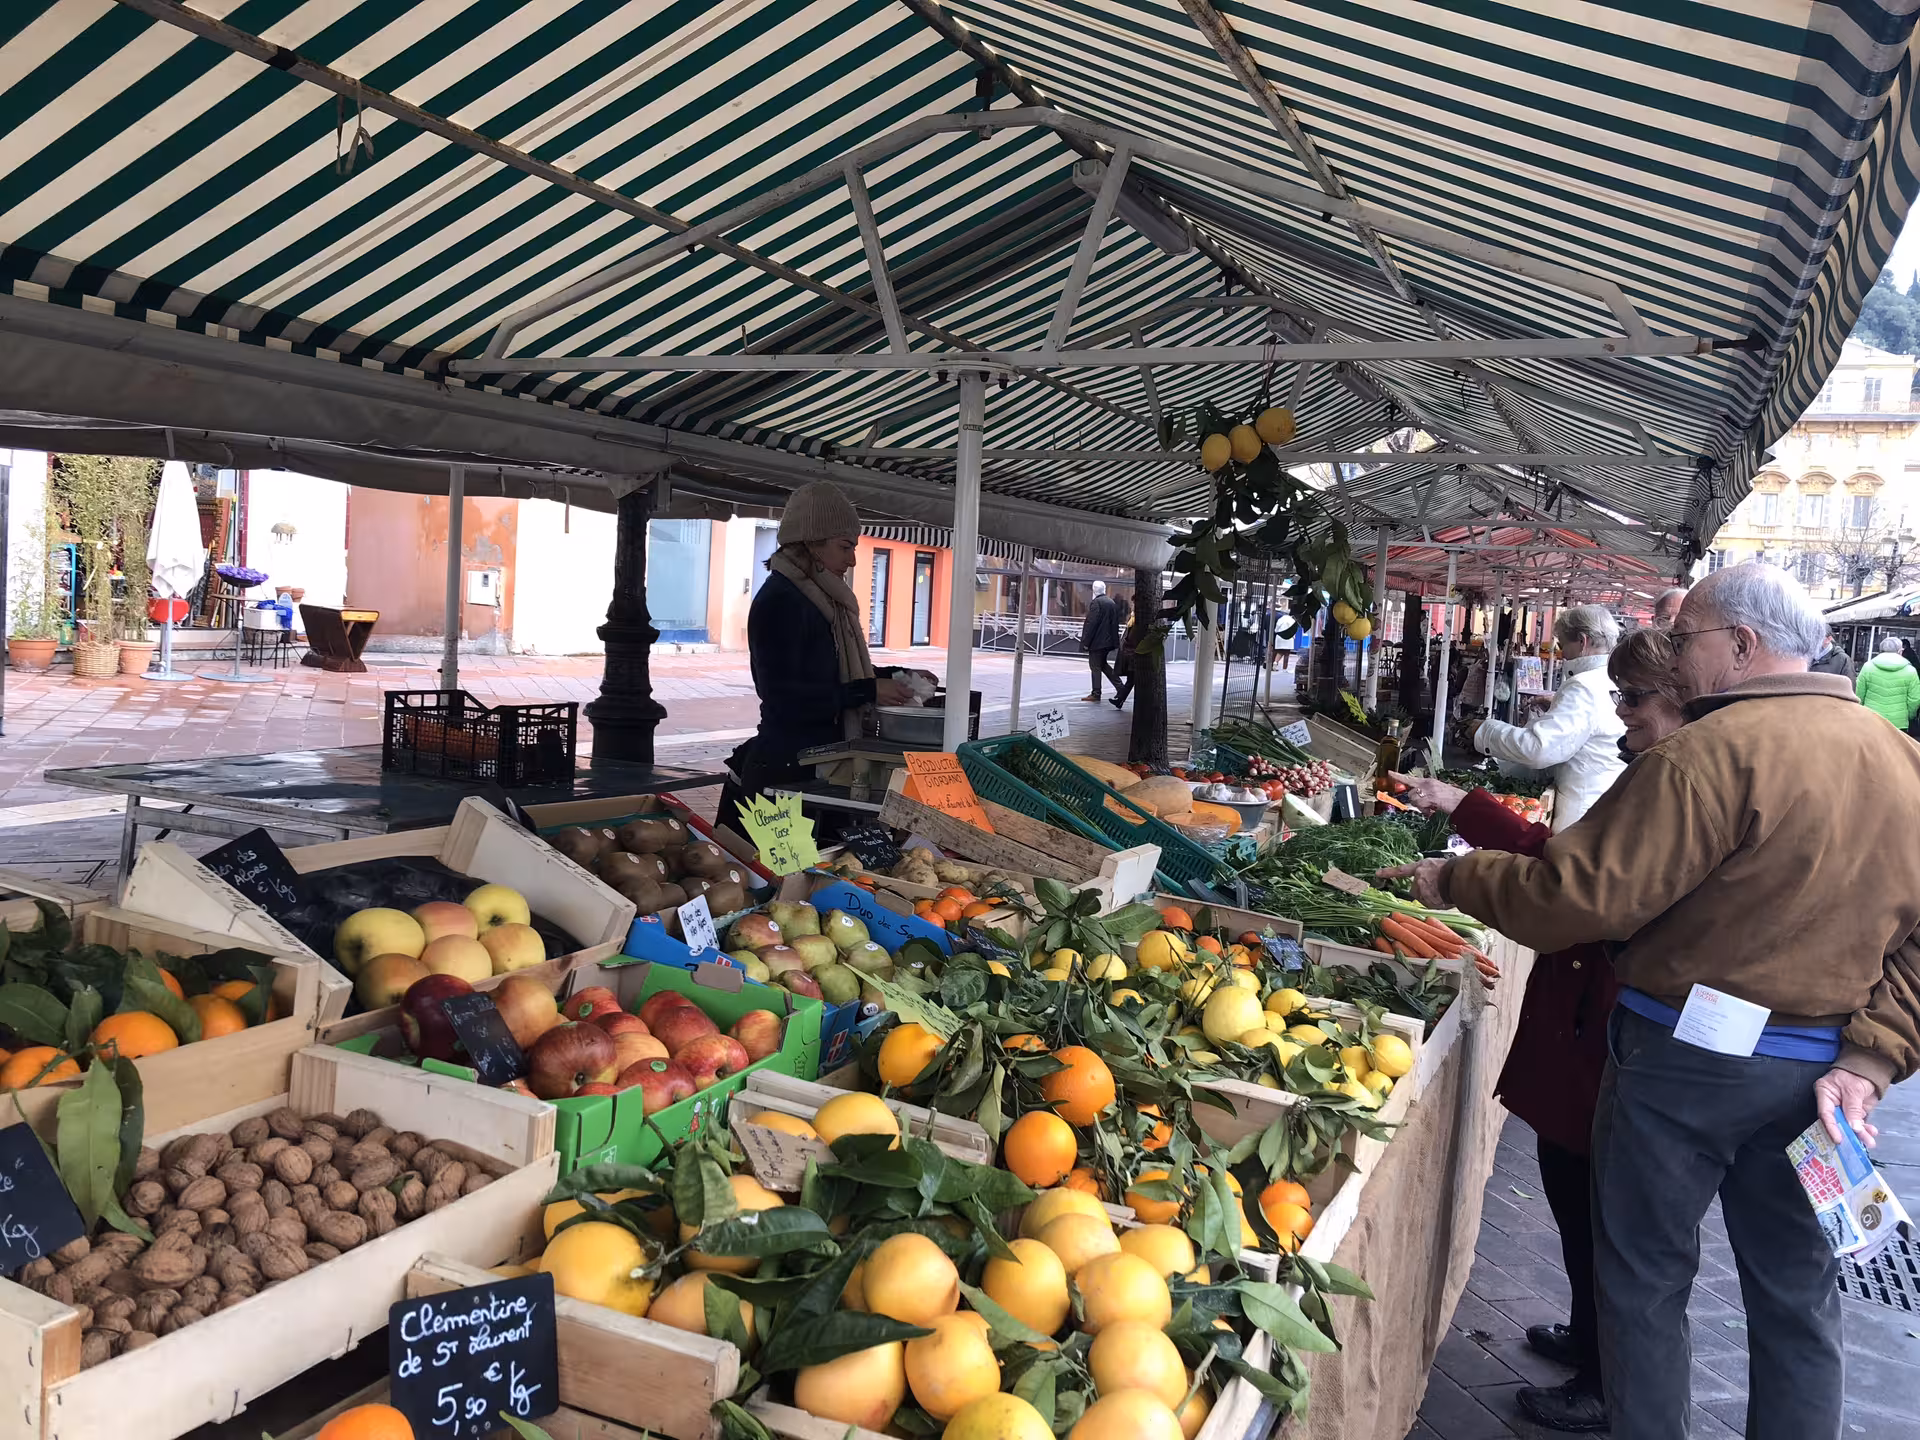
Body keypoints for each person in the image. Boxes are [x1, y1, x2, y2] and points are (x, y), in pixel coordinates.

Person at [1386, 564, 1920, 1440]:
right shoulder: (1903, 761)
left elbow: (1579, 897)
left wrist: (1458, 878)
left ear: (1741, 645)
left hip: (1682, 1062)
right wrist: (1869, 1057)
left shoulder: (1707, 753)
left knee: (1643, 1282)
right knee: (1797, 1296)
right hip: (1821, 1077)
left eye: (1686, 637)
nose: (1676, 654)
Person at [1389, 629, 1688, 1432]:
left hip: (1612, 1024)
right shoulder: (1654, 772)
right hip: (1590, 1021)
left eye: (1634, 700)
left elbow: (1577, 892)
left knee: (1604, 1208)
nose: (1622, 715)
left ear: (1680, 699)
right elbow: (1568, 858)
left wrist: (1460, 875)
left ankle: (1607, 1380)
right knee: (1572, 1186)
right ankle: (1592, 1339)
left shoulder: (1680, 783)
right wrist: (1467, 807)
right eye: (1619, 697)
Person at [718, 482, 925, 831]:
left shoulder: (822, 600)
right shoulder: (782, 600)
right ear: (812, 544)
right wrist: (869, 690)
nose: (852, 559)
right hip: (787, 769)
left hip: (822, 763)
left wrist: (896, 675)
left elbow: (829, 671)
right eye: (845, 546)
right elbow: (782, 697)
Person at [1469, 605, 1626, 830]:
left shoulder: (1583, 686)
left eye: (1562, 644)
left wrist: (1484, 731)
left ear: (1582, 641)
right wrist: (1558, 706)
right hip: (1604, 800)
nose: (1562, 654)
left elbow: (1539, 749)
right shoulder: (1612, 678)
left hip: (1580, 811)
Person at [1854, 635, 1920, 727]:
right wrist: (1907, 716)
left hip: (1871, 720)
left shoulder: (1867, 667)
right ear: (1900, 651)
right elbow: (1914, 700)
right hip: (1898, 723)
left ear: (1881, 650)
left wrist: (1861, 712)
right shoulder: (1910, 671)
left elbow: (1859, 694)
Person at [1080, 581, 1122, 701]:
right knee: (1103, 665)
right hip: (1108, 641)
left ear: (1094, 590)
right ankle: (1120, 687)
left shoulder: (1096, 603)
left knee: (1095, 666)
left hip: (1097, 642)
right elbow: (1115, 623)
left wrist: (1086, 642)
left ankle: (1096, 693)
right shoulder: (1111, 602)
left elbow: (1092, 623)